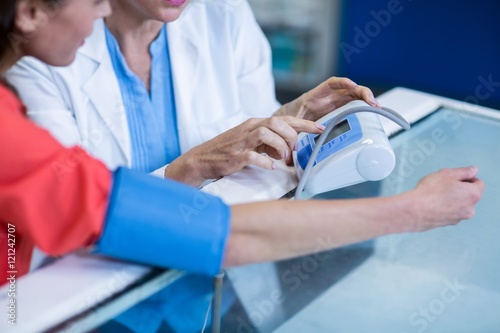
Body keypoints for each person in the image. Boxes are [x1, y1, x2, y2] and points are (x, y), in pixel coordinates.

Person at [0, 0, 484, 332]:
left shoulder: (219, 15)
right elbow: (221, 233)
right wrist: (413, 211)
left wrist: (280, 124)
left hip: (207, 299)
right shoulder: (18, 129)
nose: (103, 5)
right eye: (93, 0)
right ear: (30, 12)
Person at [6, 0, 379, 187]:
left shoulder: (223, 13)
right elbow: (68, 210)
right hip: (106, 294)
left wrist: (288, 118)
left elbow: (255, 152)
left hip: (221, 279)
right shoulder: (46, 48)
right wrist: (189, 169)